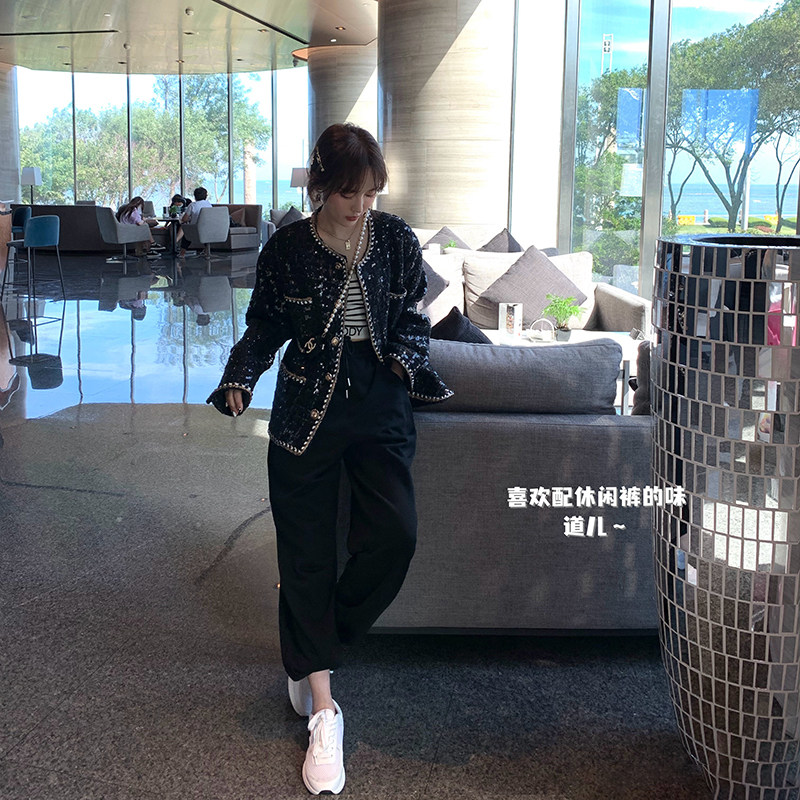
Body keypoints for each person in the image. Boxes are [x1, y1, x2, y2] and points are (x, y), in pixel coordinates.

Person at [207, 123, 451, 795]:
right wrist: (240, 377)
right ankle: (323, 709)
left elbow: (414, 315)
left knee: (395, 536)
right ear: (320, 186)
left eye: (370, 193)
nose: (360, 206)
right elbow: (264, 325)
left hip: (378, 397)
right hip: (305, 403)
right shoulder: (287, 247)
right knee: (306, 552)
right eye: (348, 193)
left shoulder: (395, 238)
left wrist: (400, 365)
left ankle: (312, 645)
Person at [177, 186, 212, 258]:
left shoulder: (192, 205)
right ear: (205, 196)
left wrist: (190, 218)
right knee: (203, 232)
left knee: (187, 233)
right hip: (208, 230)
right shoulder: (209, 204)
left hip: (196, 230)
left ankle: (182, 253)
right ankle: (206, 251)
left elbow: (184, 219)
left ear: (195, 196)